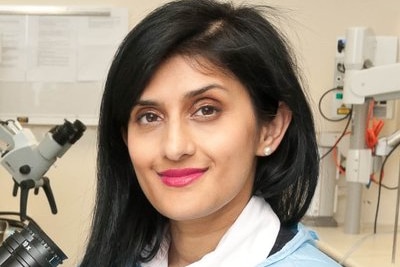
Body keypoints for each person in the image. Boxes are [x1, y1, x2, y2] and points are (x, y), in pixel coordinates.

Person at [80, 0, 341, 266]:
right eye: (149, 117)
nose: (174, 147)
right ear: (125, 137)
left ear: (270, 129)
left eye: (206, 110)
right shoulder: (120, 257)